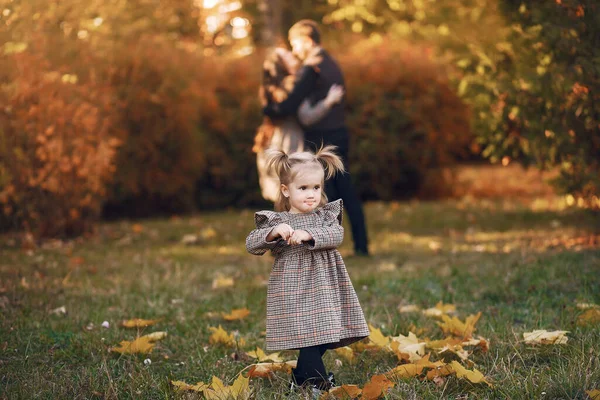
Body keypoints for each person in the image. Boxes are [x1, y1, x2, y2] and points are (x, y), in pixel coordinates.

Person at [245, 146, 369, 397]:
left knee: (322, 335)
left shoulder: (325, 216)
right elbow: (252, 243)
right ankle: (320, 385)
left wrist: (309, 234)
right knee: (308, 337)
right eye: (303, 188)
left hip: (324, 288)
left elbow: (337, 235)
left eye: (316, 187)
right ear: (285, 190)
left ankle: (301, 378)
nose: (311, 194)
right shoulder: (277, 221)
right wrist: (274, 233)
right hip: (293, 290)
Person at [262, 19, 370, 256]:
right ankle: (360, 245)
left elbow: (296, 109)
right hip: (338, 134)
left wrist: (271, 110)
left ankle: (326, 245)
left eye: (295, 44)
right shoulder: (331, 63)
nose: (295, 50)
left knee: (323, 195)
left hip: (322, 139)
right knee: (344, 191)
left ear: (307, 41)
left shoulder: (313, 67)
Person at [254, 48, 345, 202]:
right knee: (300, 189)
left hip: (275, 139)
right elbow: (306, 117)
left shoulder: (270, 88)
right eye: (286, 55)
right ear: (281, 65)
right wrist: (328, 101)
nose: (292, 54)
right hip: (291, 141)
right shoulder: (292, 85)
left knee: (286, 194)